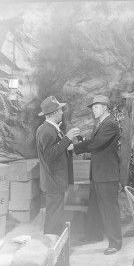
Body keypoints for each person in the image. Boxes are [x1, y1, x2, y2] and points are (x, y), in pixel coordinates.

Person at [74, 95, 123, 255]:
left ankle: (115, 243)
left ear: (104, 107)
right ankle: (93, 235)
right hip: (99, 173)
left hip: (107, 175)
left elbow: (96, 144)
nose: (93, 110)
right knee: (94, 206)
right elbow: (95, 142)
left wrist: (75, 147)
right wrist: (82, 141)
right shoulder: (101, 123)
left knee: (110, 209)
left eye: (95, 107)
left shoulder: (110, 124)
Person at [36, 96, 80, 235]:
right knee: (54, 218)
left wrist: (66, 145)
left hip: (54, 181)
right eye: (60, 110)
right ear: (54, 113)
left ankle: (54, 246)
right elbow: (49, 156)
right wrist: (67, 138)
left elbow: (53, 151)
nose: (62, 113)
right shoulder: (47, 130)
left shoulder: (51, 129)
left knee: (55, 216)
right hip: (54, 182)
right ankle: (52, 248)